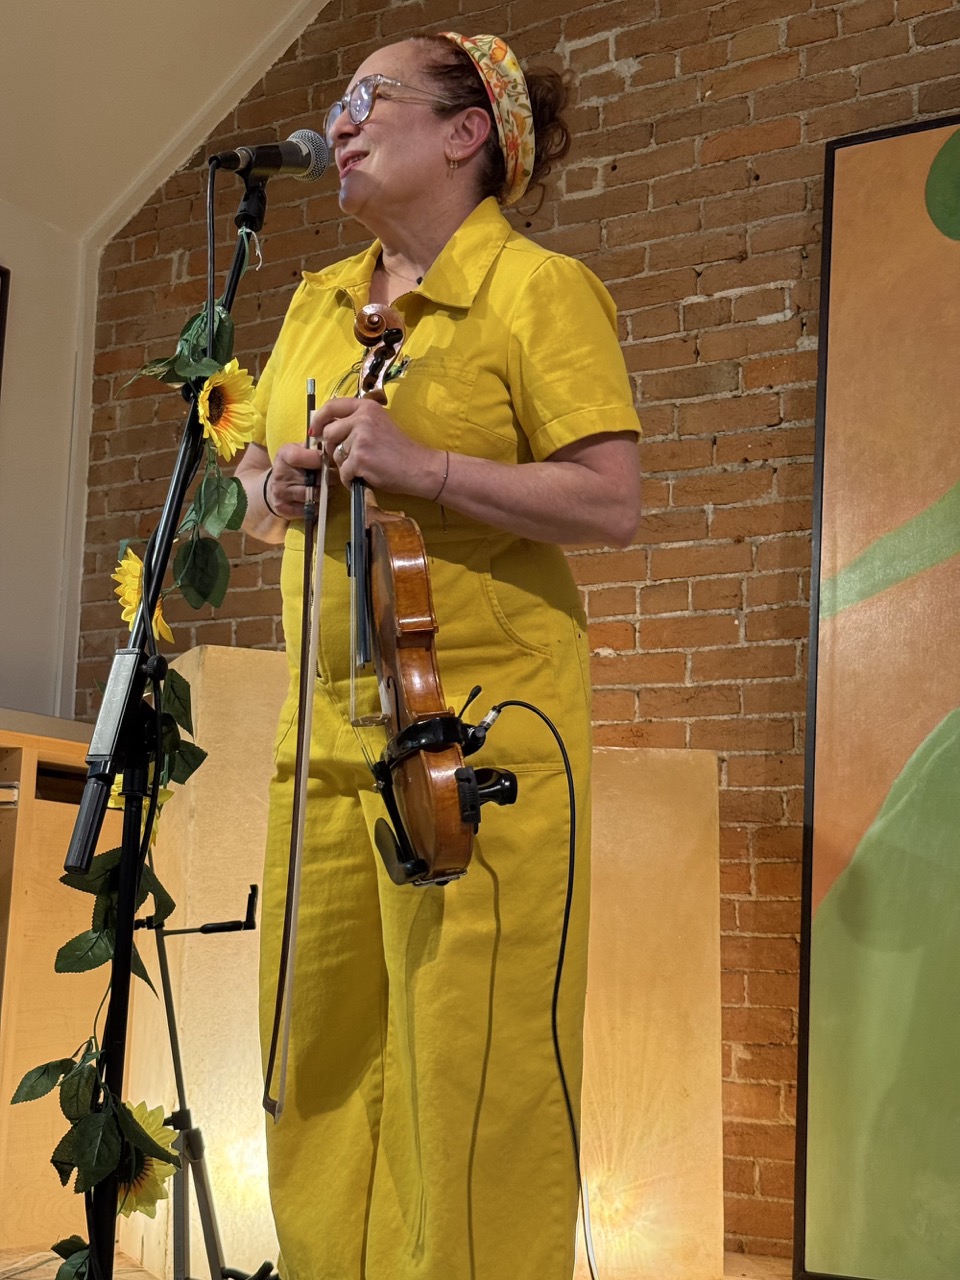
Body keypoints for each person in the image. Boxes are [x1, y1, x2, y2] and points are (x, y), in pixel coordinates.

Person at [234, 30, 641, 1280]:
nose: (340, 122)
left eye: (370, 98)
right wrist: (274, 483)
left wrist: (426, 467)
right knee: (317, 1060)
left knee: (472, 1081)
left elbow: (609, 502)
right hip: (324, 746)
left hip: (478, 743)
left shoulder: (539, 291)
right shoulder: (314, 302)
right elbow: (245, 483)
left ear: (469, 133)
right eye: (336, 102)